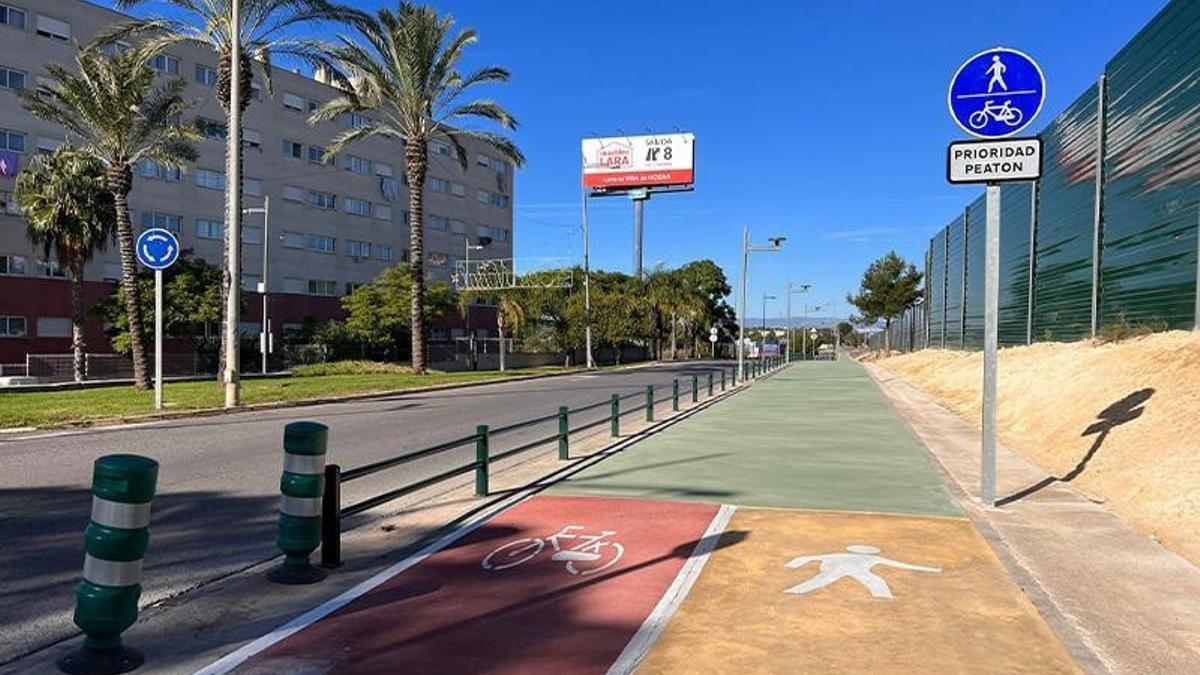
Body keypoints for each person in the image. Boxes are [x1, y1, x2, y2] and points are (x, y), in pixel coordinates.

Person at [784, 545, 940, 599]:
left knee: (877, 581)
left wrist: (794, 564)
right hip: (837, 569)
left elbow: (810, 557)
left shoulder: (843, 555)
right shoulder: (869, 559)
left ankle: (796, 591)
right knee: (822, 580)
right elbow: (902, 565)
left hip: (849, 570)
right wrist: (793, 564)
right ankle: (795, 591)